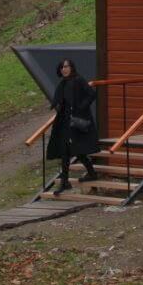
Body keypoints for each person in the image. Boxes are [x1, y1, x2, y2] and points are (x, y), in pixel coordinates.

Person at [46, 58, 99, 192]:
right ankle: (65, 182)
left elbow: (92, 94)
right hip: (65, 121)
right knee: (65, 151)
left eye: (66, 66)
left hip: (75, 121)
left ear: (72, 68)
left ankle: (91, 174)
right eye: (62, 67)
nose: (64, 69)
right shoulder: (63, 83)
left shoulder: (78, 80)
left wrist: (81, 107)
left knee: (77, 150)